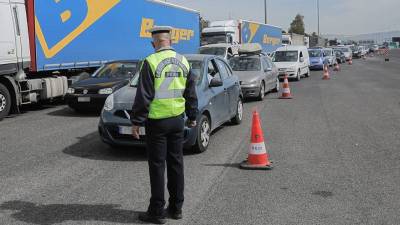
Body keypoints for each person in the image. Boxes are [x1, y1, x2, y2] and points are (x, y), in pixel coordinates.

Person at [130, 26, 198, 224]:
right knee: (176, 164)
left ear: (154, 44)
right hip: (177, 121)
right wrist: (192, 115)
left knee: (157, 166)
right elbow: (191, 92)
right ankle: (176, 209)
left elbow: (143, 96)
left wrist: (136, 121)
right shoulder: (184, 61)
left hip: (157, 122)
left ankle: (157, 211)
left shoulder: (150, 62)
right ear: (171, 42)